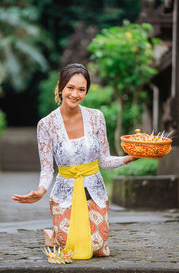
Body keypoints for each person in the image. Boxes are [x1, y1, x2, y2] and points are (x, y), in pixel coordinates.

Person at [12, 63, 137, 260]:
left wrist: (129, 158)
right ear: (61, 87)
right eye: (70, 87)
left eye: (81, 90)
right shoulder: (46, 125)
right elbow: (46, 169)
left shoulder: (96, 117)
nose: (75, 94)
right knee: (70, 249)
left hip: (94, 191)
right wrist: (41, 191)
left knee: (96, 248)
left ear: (86, 91)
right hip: (64, 194)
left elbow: (104, 160)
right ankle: (54, 235)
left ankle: (58, 234)